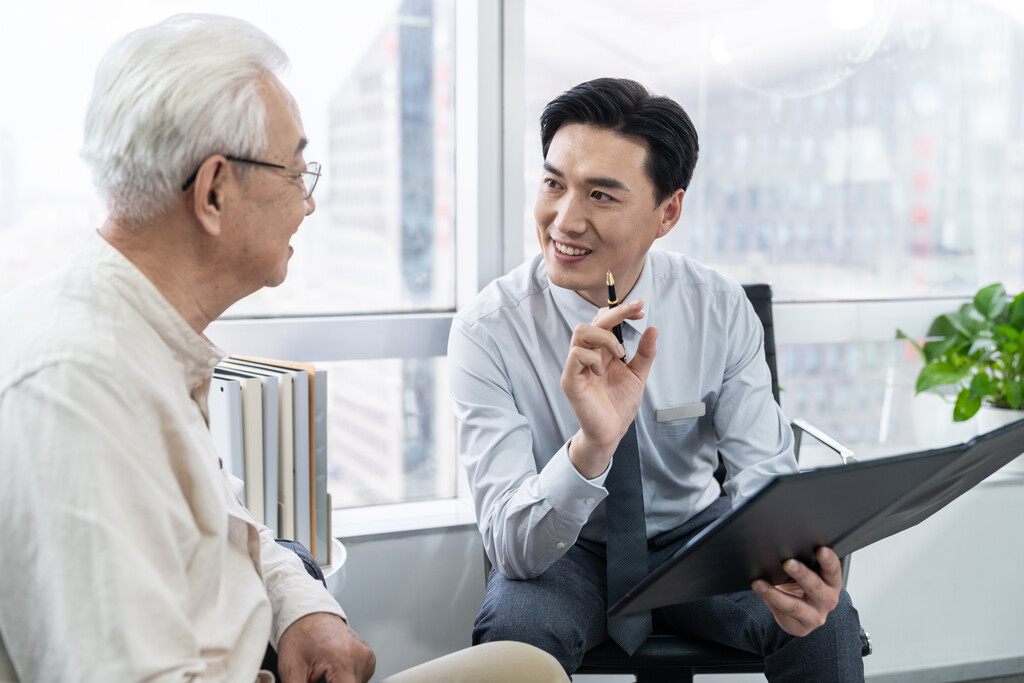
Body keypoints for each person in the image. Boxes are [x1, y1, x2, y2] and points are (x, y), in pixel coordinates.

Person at [0, 14, 567, 683]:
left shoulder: (143, 335)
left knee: (523, 665)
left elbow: (227, 515)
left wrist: (304, 607)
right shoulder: (77, 388)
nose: (309, 204)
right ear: (214, 191)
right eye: (298, 170)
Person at [447, 77, 865, 681]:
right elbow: (512, 545)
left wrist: (794, 567)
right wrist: (590, 449)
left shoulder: (716, 306)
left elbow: (761, 475)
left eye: (601, 196)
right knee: (516, 638)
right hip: (564, 551)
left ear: (667, 211)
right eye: (553, 184)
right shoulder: (488, 329)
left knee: (825, 619)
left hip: (699, 544)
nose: (565, 220)